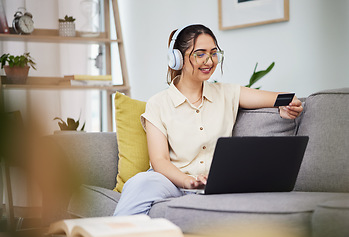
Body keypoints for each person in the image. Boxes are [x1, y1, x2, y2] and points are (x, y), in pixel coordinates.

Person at [113, 24, 303, 216]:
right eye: (200, 54)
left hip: (214, 183)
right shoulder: (158, 103)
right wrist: (187, 181)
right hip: (171, 181)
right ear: (178, 59)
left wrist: (287, 104)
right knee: (140, 183)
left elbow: (279, 97)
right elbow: (159, 160)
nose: (209, 61)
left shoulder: (228, 93)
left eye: (213, 53)